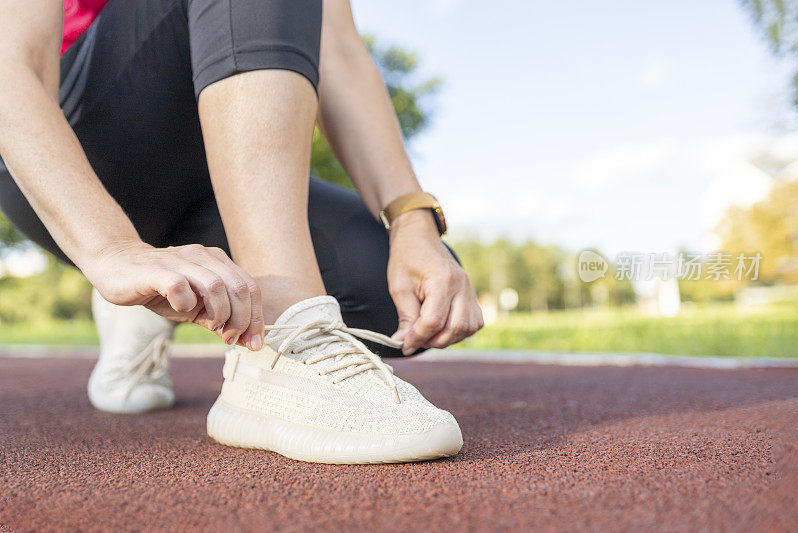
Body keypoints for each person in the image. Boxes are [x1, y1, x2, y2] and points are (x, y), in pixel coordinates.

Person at [0, 0, 483, 464]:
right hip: (69, 145)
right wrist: (110, 248)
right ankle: (281, 336)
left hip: (212, 166)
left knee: (395, 294)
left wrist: (411, 221)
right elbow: (12, 61)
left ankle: (163, 293)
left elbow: (336, 49)